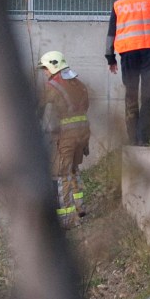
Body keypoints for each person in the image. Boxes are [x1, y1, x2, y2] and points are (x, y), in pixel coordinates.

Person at [105, 0, 150, 147]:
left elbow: (111, 34)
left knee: (131, 94)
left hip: (128, 53)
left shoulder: (118, 5)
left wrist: (110, 58)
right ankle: (144, 139)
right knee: (148, 93)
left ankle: (132, 138)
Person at [37, 51, 91, 227]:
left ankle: (67, 219)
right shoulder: (79, 83)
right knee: (74, 170)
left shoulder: (52, 86)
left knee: (61, 175)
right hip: (83, 134)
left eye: (45, 68)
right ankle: (80, 208)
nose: (45, 72)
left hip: (66, 137)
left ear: (53, 66)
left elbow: (39, 108)